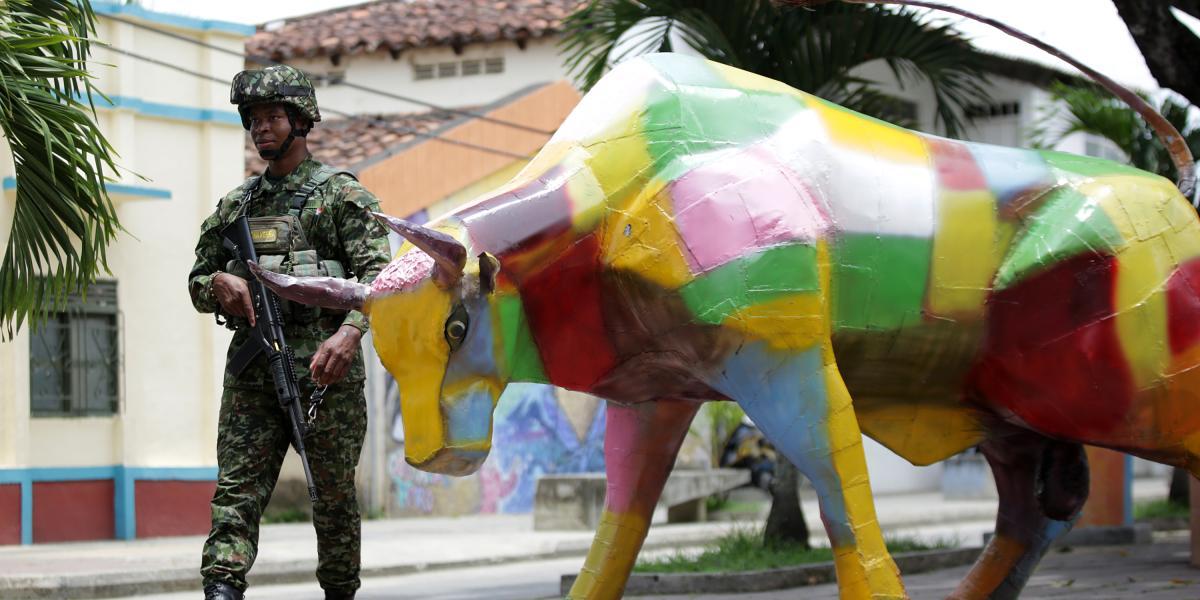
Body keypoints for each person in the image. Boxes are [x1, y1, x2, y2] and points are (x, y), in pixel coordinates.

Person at [187, 64, 391, 600]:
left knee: (333, 497)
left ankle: (340, 591)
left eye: (273, 116)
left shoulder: (340, 196)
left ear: (301, 120)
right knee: (236, 492)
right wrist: (219, 284)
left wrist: (348, 334)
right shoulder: (236, 207)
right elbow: (197, 280)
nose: (261, 128)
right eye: (253, 119)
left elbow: (381, 279)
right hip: (255, 371)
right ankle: (222, 586)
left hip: (326, 373)